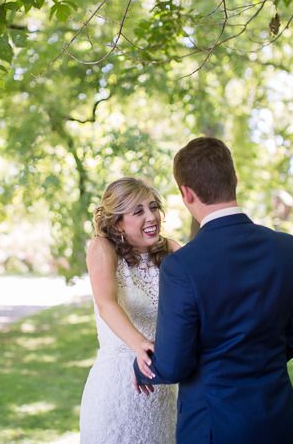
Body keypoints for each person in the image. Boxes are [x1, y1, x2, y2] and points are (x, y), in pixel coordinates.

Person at [133, 137, 293, 443]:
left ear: (186, 193)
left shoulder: (182, 266)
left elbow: (174, 364)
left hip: (214, 427)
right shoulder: (287, 248)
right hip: (281, 420)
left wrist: (142, 368)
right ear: (234, 180)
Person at [80, 177, 181, 443]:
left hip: (163, 388)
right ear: (117, 223)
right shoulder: (102, 248)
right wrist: (141, 346)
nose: (152, 216)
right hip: (118, 388)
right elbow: (107, 304)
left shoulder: (171, 248)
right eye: (138, 211)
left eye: (153, 207)